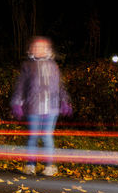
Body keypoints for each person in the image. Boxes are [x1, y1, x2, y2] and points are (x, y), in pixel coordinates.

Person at [10, 36, 72, 176]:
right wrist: (17, 102)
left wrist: (65, 101)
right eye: (36, 47)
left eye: (42, 47)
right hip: (33, 107)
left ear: (48, 50)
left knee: (47, 137)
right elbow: (21, 86)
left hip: (51, 107)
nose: (39, 49)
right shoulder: (27, 66)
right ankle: (30, 165)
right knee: (33, 136)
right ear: (32, 49)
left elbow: (60, 86)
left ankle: (49, 166)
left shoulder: (53, 66)